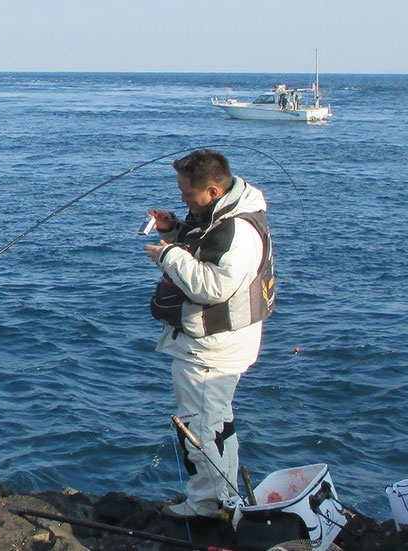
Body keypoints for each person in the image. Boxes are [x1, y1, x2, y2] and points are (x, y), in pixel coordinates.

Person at [144, 150, 274, 519]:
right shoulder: (223, 215)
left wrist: (168, 254)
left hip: (212, 349)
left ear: (213, 190)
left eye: (188, 195)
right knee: (216, 421)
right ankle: (225, 496)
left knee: (200, 425)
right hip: (217, 343)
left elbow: (213, 287)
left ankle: (206, 504)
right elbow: (206, 246)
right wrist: (174, 229)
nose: (184, 200)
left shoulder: (239, 232)